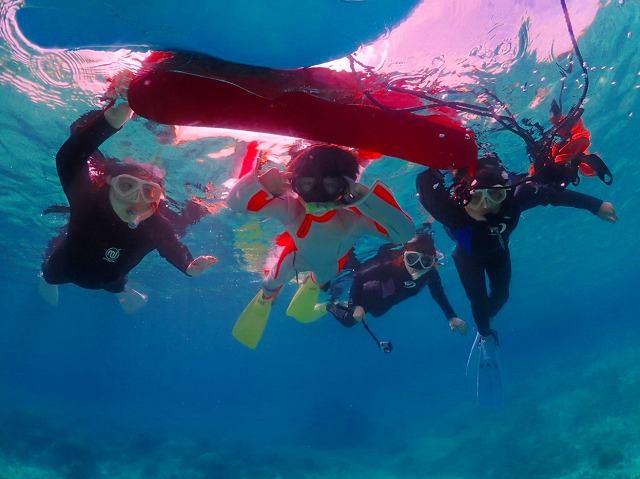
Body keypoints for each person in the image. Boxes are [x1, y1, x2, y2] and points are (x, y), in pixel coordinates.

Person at [416, 153, 618, 407]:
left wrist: (595, 205)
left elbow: (553, 195)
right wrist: (434, 165)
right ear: (463, 195)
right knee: (478, 302)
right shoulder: (451, 211)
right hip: (468, 260)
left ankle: (485, 324)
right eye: (477, 197)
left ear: (506, 193)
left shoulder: (516, 198)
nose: (487, 204)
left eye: (496, 196)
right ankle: (486, 338)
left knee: (502, 296)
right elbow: (425, 190)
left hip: (499, 254)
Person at [227, 144, 415, 348]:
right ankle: (268, 293)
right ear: (293, 184)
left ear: (347, 186)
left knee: (319, 276)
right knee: (274, 279)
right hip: (301, 258)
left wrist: (367, 199)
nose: (317, 195)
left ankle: (297, 286)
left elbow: (404, 235)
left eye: (330, 186)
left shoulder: (353, 219)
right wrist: (262, 184)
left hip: (328, 265)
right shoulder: (292, 208)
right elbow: (235, 204)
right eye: (306, 184)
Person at [39, 98, 217, 313]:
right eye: (126, 185)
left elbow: (172, 249)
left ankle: (122, 291)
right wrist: (108, 123)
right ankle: (49, 283)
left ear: (158, 198)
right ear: (110, 184)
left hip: (111, 281)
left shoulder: (157, 226)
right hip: (63, 268)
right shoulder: (88, 201)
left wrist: (188, 267)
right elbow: (69, 158)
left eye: (149, 192)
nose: (136, 199)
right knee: (49, 274)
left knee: (115, 283)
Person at [326, 225, 467, 342]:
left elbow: (439, 294)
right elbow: (358, 277)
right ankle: (330, 303)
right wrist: (355, 305)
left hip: (384, 303)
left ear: (432, 263)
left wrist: (451, 316)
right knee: (349, 320)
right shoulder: (389, 265)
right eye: (412, 259)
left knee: (377, 312)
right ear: (405, 256)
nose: (416, 266)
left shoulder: (430, 274)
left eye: (425, 262)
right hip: (369, 293)